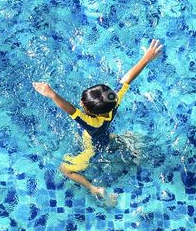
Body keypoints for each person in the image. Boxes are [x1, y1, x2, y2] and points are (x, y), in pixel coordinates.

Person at [33, 40, 163, 205]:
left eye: (82, 103)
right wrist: (145, 59)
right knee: (119, 139)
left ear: (88, 111)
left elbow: (70, 109)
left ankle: (94, 188)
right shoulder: (113, 104)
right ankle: (133, 155)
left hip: (92, 147)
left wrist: (52, 94)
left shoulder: (91, 122)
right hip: (107, 136)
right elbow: (126, 80)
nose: (80, 103)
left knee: (64, 169)